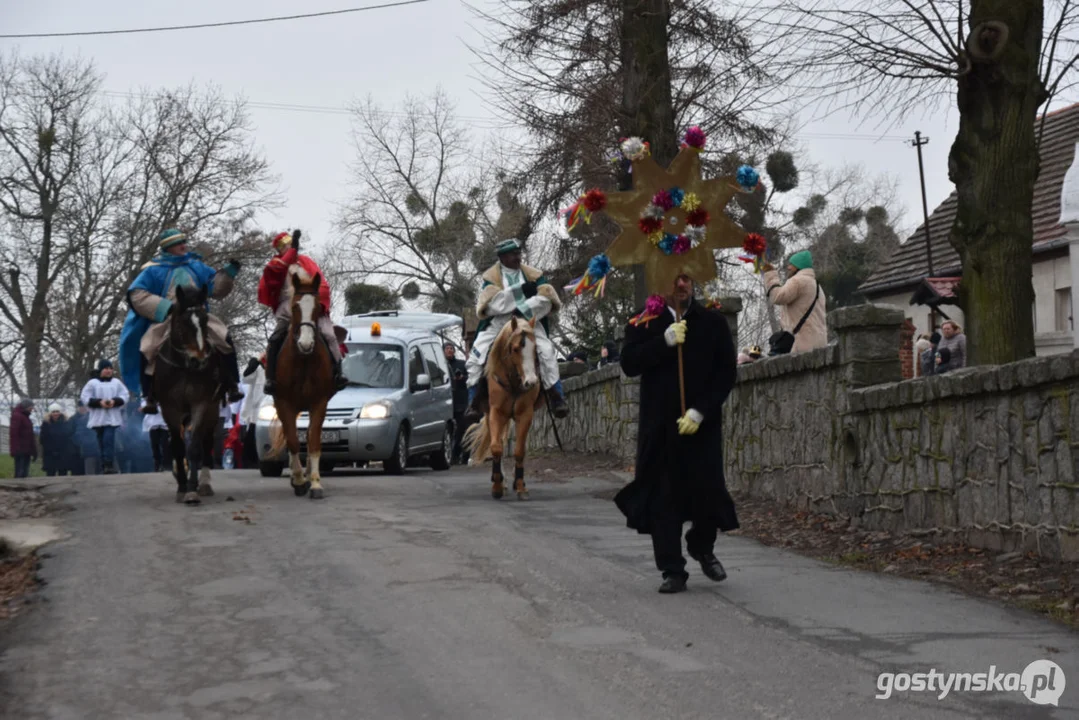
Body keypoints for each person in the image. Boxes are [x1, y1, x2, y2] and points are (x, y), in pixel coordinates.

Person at [615, 273, 739, 594]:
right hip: (660, 429)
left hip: (701, 427)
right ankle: (672, 569)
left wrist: (701, 411)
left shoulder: (711, 322)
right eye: (674, 279)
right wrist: (663, 342)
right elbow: (629, 363)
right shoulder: (644, 323)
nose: (680, 285)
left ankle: (701, 546)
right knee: (663, 500)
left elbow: (726, 372)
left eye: (685, 279)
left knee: (707, 493)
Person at [119, 228, 244, 414]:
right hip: (169, 318)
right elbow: (136, 294)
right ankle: (149, 397)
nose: (184, 246)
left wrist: (227, 276)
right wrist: (164, 307)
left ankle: (232, 385)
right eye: (179, 244)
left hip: (198, 316)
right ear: (168, 247)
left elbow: (215, 290)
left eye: (184, 242)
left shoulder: (196, 266)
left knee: (224, 338)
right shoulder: (152, 270)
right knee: (147, 347)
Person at [464, 239, 569, 421]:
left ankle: (556, 397)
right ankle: (474, 401)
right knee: (476, 356)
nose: (517, 257)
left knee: (546, 351)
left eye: (519, 253)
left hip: (529, 321)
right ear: (503, 257)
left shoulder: (534, 275)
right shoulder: (491, 279)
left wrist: (523, 307)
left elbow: (546, 300)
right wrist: (520, 291)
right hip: (499, 325)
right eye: (513, 254)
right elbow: (491, 306)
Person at [257, 229, 346, 396]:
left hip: (312, 305)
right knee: (275, 339)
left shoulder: (306, 262)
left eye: (293, 245)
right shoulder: (275, 265)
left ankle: (338, 373)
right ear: (280, 249)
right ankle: (271, 378)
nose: (292, 249)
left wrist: (317, 301)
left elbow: (321, 282)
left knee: (329, 335)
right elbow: (273, 279)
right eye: (288, 246)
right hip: (288, 308)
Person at [762, 250, 827, 354]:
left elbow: (777, 297)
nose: (788, 267)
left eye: (791, 264)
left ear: (798, 266)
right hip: (819, 344)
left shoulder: (798, 281)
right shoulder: (817, 285)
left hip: (801, 345)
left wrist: (771, 275)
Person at [79, 359, 130, 474]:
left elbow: (124, 395)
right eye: (106, 368)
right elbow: (85, 397)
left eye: (110, 368)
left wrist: (115, 401)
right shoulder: (92, 383)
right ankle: (105, 464)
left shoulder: (116, 382)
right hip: (98, 417)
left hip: (112, 418)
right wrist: (99, 402)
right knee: (102, 441)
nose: (108, 371)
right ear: (101, 370)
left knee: (108, 439)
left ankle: (108, 463)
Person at [444, 341, 469, 464]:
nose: (450, 350)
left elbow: (470, 379)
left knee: (462, 429)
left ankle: (461, 455)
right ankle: (448, 455)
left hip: (460, 402)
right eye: (447, 348)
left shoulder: (462, 364)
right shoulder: (441, 365)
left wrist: (462, 378)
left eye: (451, 348)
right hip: (446, 402)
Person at [240, 357, 265, 469]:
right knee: (252, 437)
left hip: (274, 410)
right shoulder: (258, 369)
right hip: (257, 411)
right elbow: (245, 378)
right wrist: (254, 362)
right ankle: (250, 462)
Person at [39, 403, 74, 477]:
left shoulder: (66, 423)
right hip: (50, 454)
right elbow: (43, 439)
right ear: (50, 413)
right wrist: (51, 449)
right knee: (50, 474)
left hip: (63, 454)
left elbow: (68, 438)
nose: (55, 414)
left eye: (57, 411)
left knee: (63, 474)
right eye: (53, 412)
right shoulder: (46, 424)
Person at [8, 398, 36, 478]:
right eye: (31, 407)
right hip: (20, 450)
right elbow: (14, 434)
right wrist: (15, 449)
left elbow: (30, 435)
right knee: (19, 473)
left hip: (26, 449)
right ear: (26, 407)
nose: (32, 409)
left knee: (25, 473)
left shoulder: (26, 417)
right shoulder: (17, 416)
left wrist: (33, 450)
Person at [71, 400, 100, 475]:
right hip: (89, 452)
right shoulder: (82, 420)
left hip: (101, 452)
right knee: (90, 475)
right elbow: (78, 435)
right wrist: (90, 443)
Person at [141, 398, 170, 472]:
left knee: (165, 444)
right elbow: (144, 404)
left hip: (165, 423)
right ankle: (157, 463)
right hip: (153, 423)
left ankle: (166, 464)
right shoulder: (148, 395)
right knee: (154, 445)